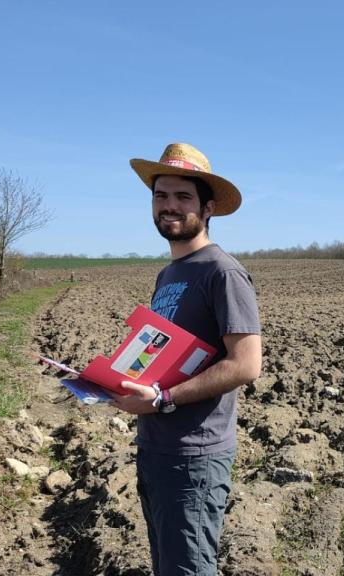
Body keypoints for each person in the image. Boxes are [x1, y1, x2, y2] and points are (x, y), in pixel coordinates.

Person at [112, 142, 262, 576]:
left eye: (183, 196)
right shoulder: (170, 274)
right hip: (156, 445)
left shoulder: (222, 272)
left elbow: (246, 364)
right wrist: (113, 381)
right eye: (160, 195)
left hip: (195, 455)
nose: (169, 206)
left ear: (207, 208)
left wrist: (162, 399)